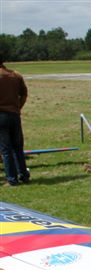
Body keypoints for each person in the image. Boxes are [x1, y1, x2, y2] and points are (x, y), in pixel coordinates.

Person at [0, 54, 29, 187]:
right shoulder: (16, 75)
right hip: (14, 114)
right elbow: (24, 93)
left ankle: (12, 179)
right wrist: (18, 106)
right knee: (18, 148)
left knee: (6, 150)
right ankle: (23, 174)